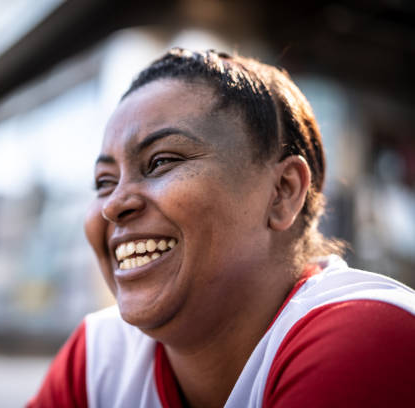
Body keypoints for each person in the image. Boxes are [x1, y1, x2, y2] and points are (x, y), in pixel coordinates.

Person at [27, 48, 415, 407]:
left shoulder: (367, 333)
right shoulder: (99, 357)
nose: (113, 205)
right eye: (104, 182)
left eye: (161, 161)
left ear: (282, 192)